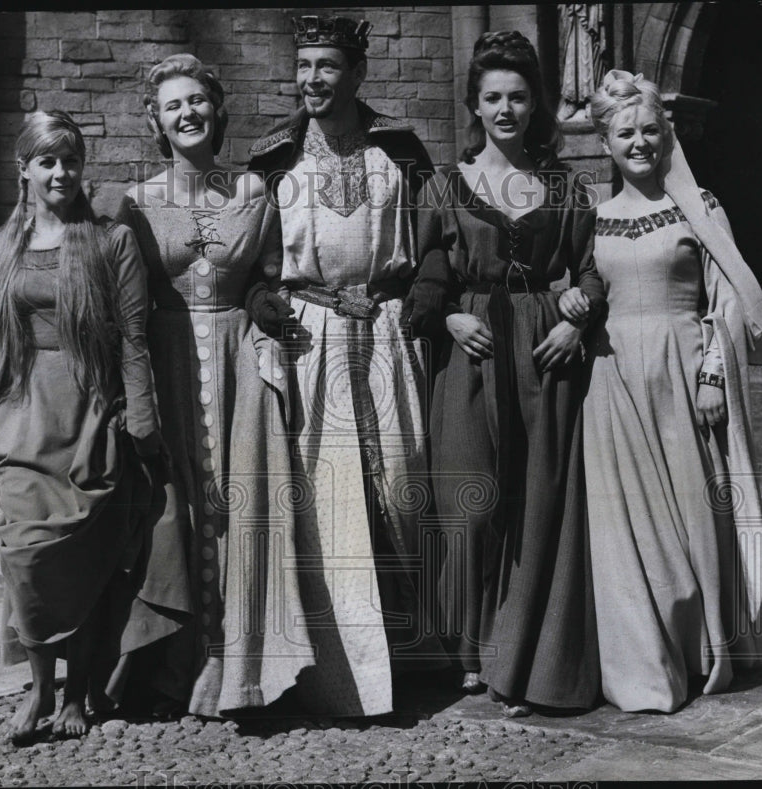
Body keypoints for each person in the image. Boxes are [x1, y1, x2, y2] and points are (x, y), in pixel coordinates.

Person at [246, 15, 446, 717]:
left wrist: (425, 292)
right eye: (304, 66)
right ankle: (336, 668)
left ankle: (422, 651)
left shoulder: (402, 150)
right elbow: (247, 257)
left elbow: (435, 242)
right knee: (328, 494)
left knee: (401, 477)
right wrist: (260, 298)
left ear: (358, 73)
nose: (313, 80)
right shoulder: (273, 159)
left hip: (388, 332)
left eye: (327, 66)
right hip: (312, 337)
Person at [561, 70, 762, 712]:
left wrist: (714, 372)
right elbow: (579, 289)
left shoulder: (700, 207)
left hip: (683, 374)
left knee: (691, 518)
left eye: (651, 130)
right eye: (625, 132)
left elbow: (728, 297)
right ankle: (642, 665)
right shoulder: (593, 218)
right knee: (626, 525)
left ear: (667, 133)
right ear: (604, 141)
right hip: (612, 378)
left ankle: (701, 647)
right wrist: (567, 299)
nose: (640, 142)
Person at [404, 31, 604, 717]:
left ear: (535, 104)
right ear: (475, 105)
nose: (506, 109)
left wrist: (577, 319)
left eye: (518, 96)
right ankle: (467, 648)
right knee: (469, 502)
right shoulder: (444, 187)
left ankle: (519, 655)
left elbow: (587, 268)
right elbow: (428, 273)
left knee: (535, 502)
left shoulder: (564, 185)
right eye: (493, 97)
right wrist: (446, 320)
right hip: (475, 352)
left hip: (543, 356)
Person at [114, 53, 315, 718]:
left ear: (215, 109)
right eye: (173, 106)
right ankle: (173, 662)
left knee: (243, 502)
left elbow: (271, 278)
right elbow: (128, 306)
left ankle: (241, 666)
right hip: (170, 364)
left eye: (197, 101)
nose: (188, 114)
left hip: (239, 361)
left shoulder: (255, 193)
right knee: (176, 508)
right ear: (157, 122)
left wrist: (269, 315)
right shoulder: (137, 205)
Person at [0, 111, 162, 744]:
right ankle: (39, 688)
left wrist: (141, 420)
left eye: (71, 159)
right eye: (47, 161)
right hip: (22, 418)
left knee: (86, 556)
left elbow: (135, 340)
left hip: (89, 414)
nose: (61, 172)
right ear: (23, 168)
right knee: (25, 556)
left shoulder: (112, 242)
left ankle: (76, 694)